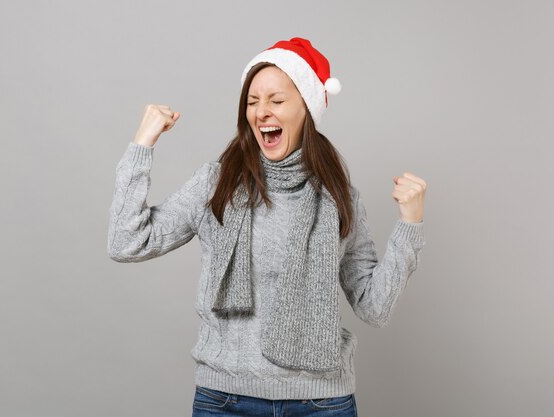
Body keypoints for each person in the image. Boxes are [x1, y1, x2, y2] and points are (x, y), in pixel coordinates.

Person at [107, 37, 427, 417]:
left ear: (305, 109)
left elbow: (374, 308)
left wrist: (410, 225)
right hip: (224, 400)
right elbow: (127, 242)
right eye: (253, 102)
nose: (262, 112)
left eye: (276, 101)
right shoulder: (215, 184)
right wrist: (143, 145)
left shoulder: (340, 198)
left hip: (321, 402)